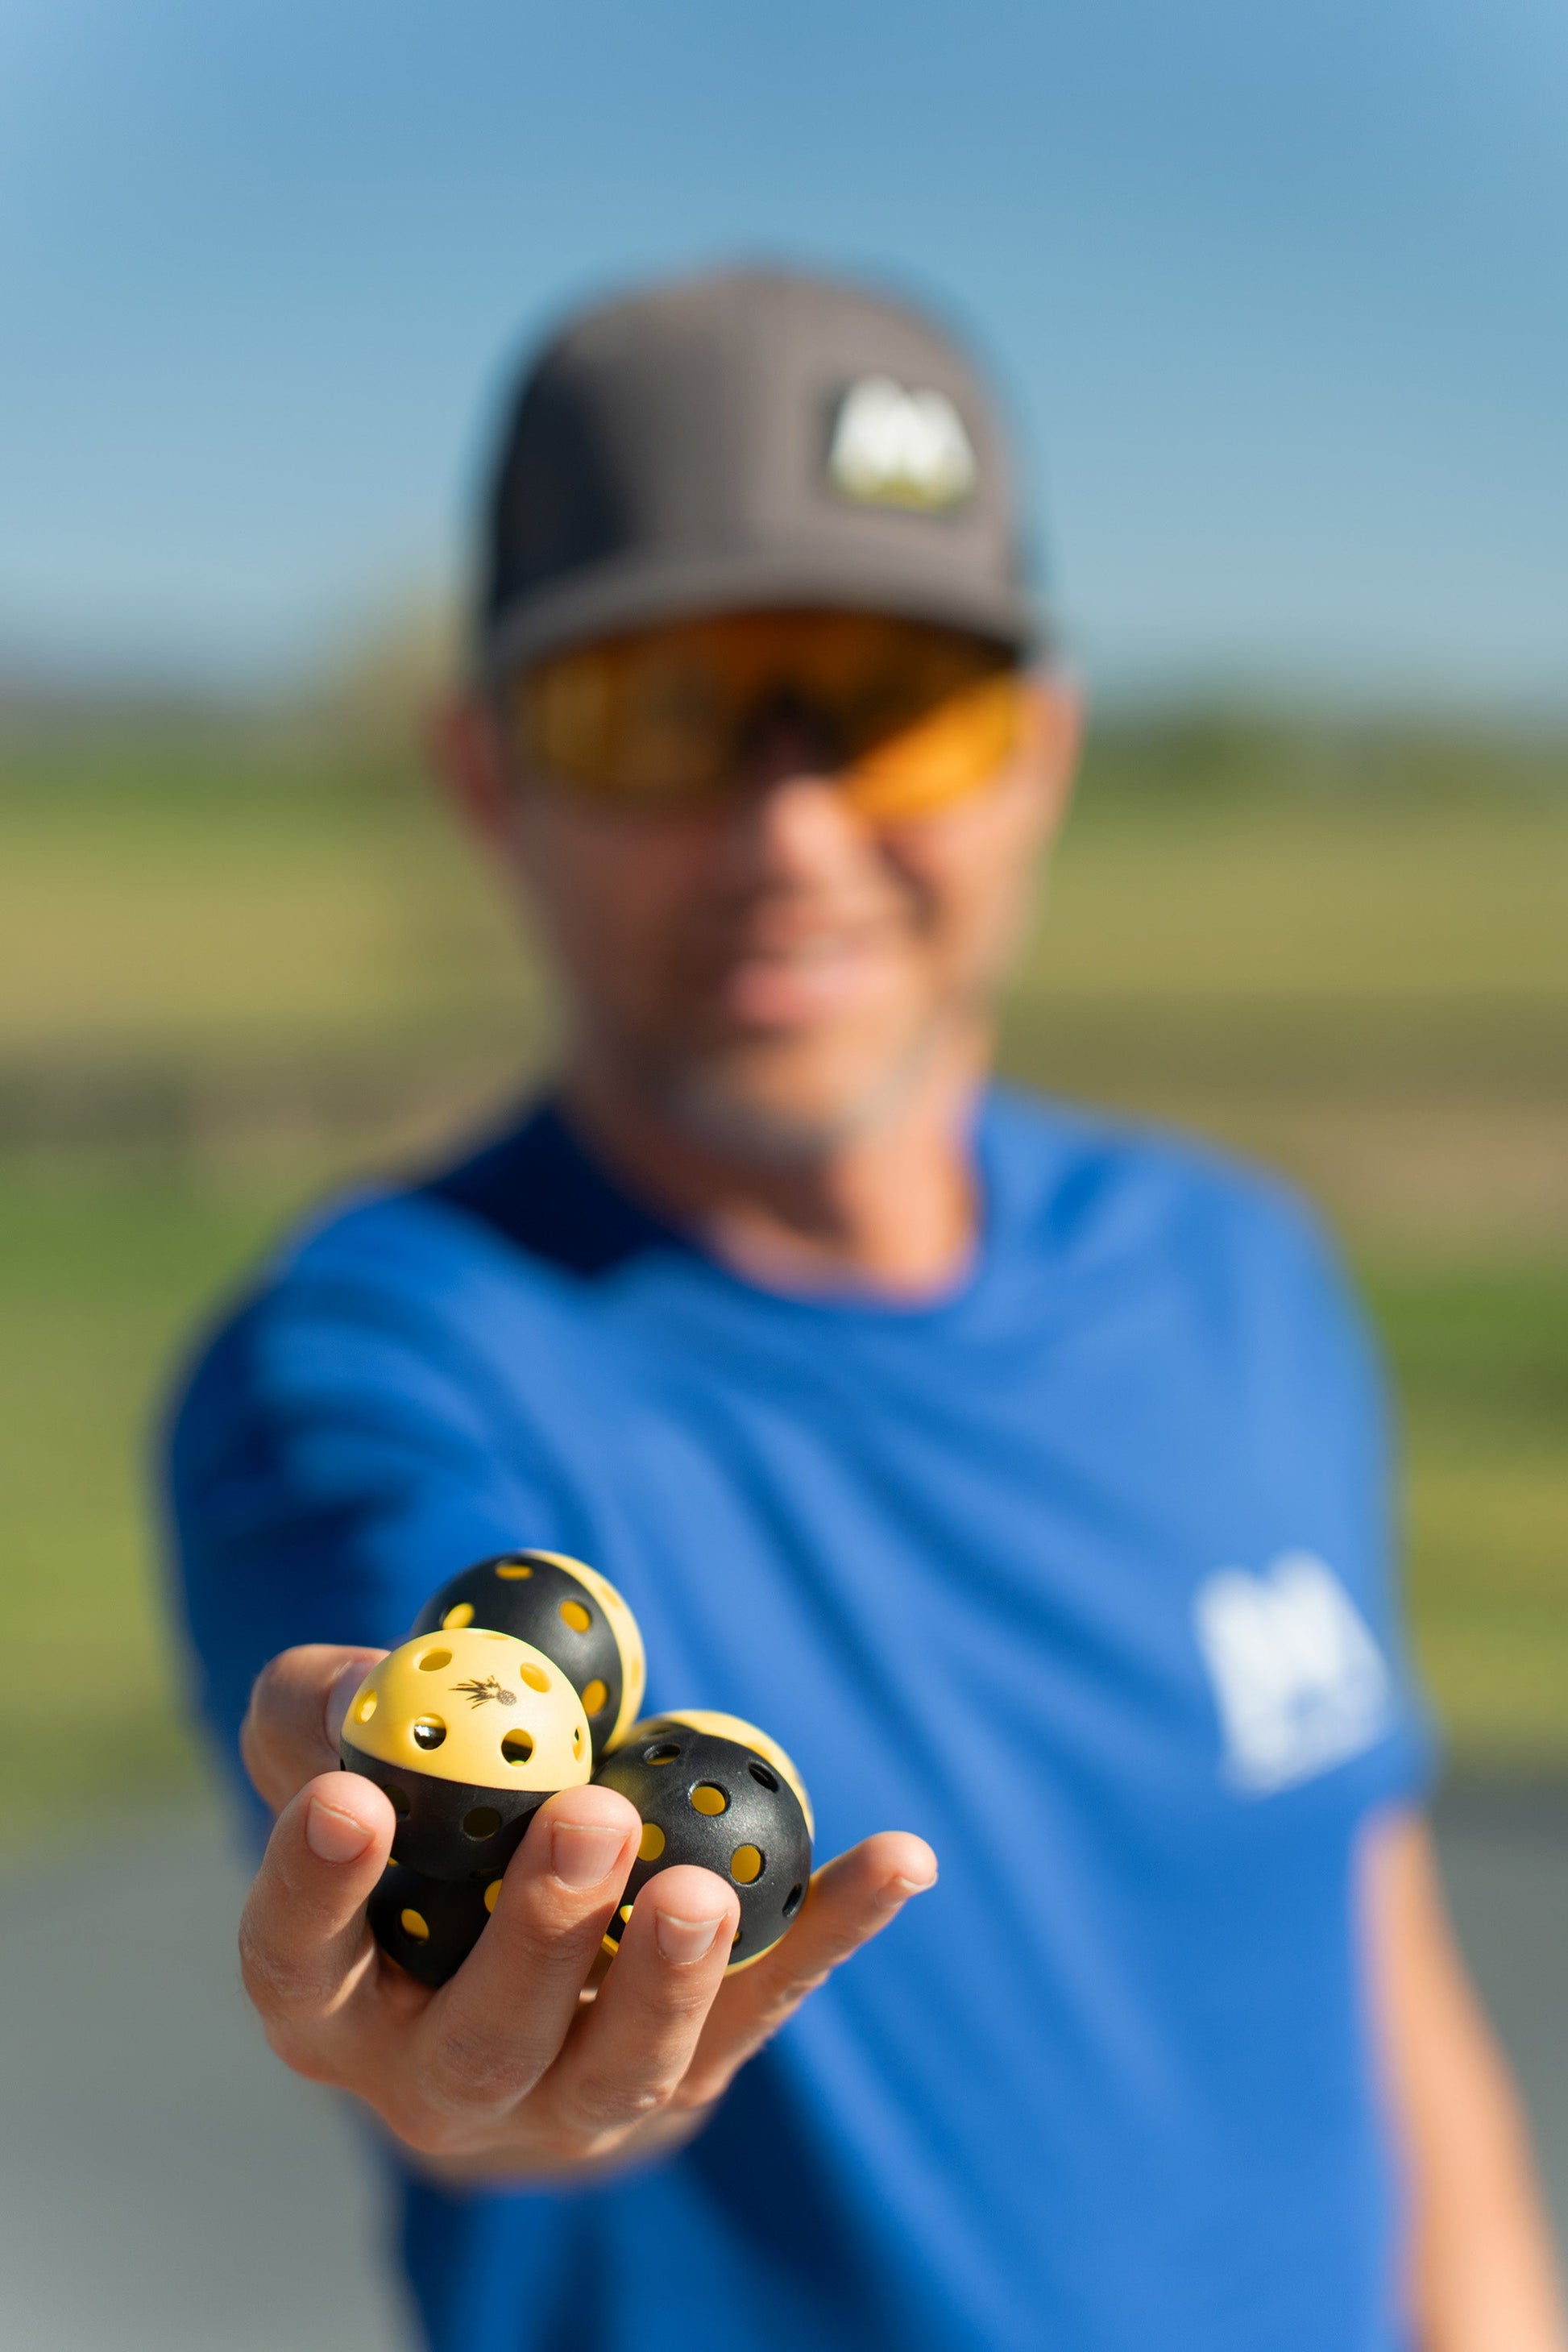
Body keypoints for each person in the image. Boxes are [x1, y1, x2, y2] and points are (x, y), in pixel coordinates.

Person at [165, 266, 1565, 2352]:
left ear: (1043, 751)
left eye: (898, 705)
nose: (791, 832)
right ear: (486, 775)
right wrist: (504, 2052)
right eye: (656, 713)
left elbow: (1375, 1986)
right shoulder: (376, 1363)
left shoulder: (1238, 1278)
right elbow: (480, 2006)